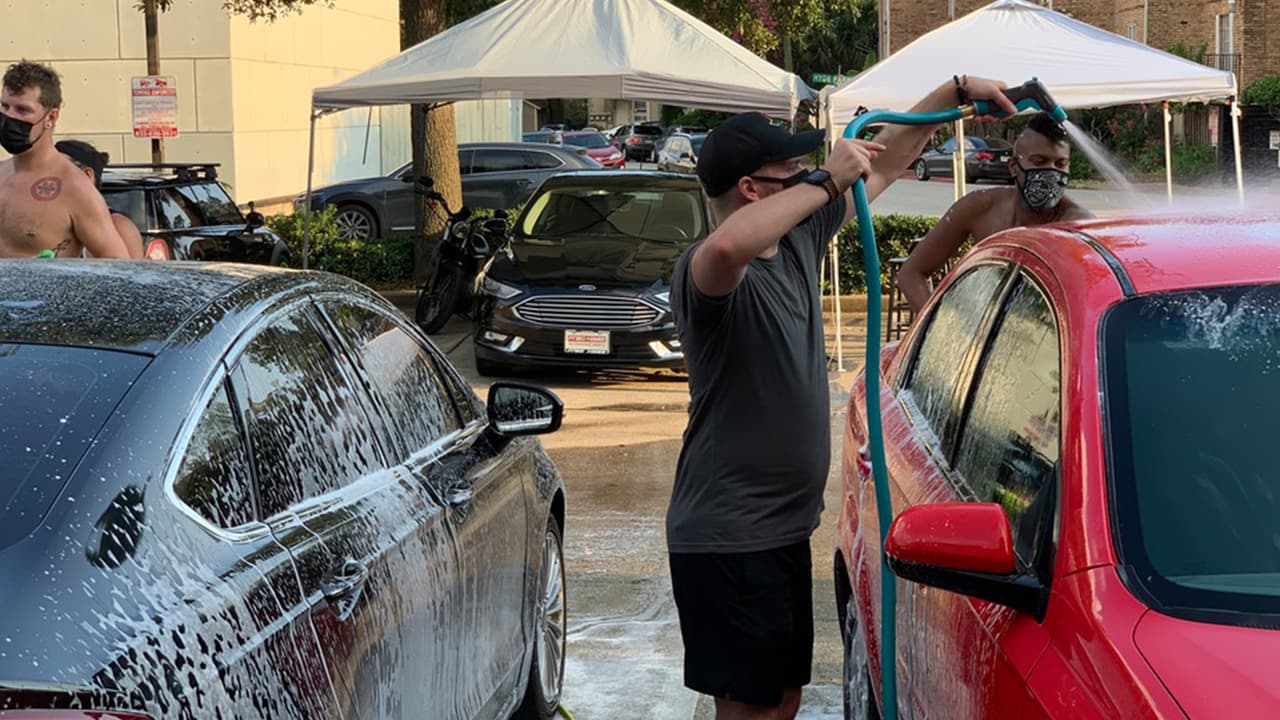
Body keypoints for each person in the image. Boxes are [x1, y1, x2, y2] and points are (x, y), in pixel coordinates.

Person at [667, 75, 1017, 720]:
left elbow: (884, 161)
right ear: (752, 189)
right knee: (751, 708)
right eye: (791, 171)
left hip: (776, 531)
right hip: (729, 535)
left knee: (781, 699)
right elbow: (729, 242)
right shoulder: (706, 274)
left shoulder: (798, 240)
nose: (806, 175)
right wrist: (826, 179)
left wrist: (953, 92)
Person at [898, 112, 1094, 312]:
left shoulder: (1078, 227)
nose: (1051, 172)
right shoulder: (980, 207)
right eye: (1039, 162)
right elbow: (911, 273)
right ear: (1013, 167)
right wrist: (936, 326)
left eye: (1060, 164)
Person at [0, 60, 130, 259]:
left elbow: (119, 266)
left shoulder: (74, 188)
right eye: (5, 106)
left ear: (51, 118)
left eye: (22, 110)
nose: (9, 117)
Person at [56, 139, 145, 259]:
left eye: (59, 169)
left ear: (87, 175)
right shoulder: (50, 223)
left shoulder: (119, 228)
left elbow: (131, 270)